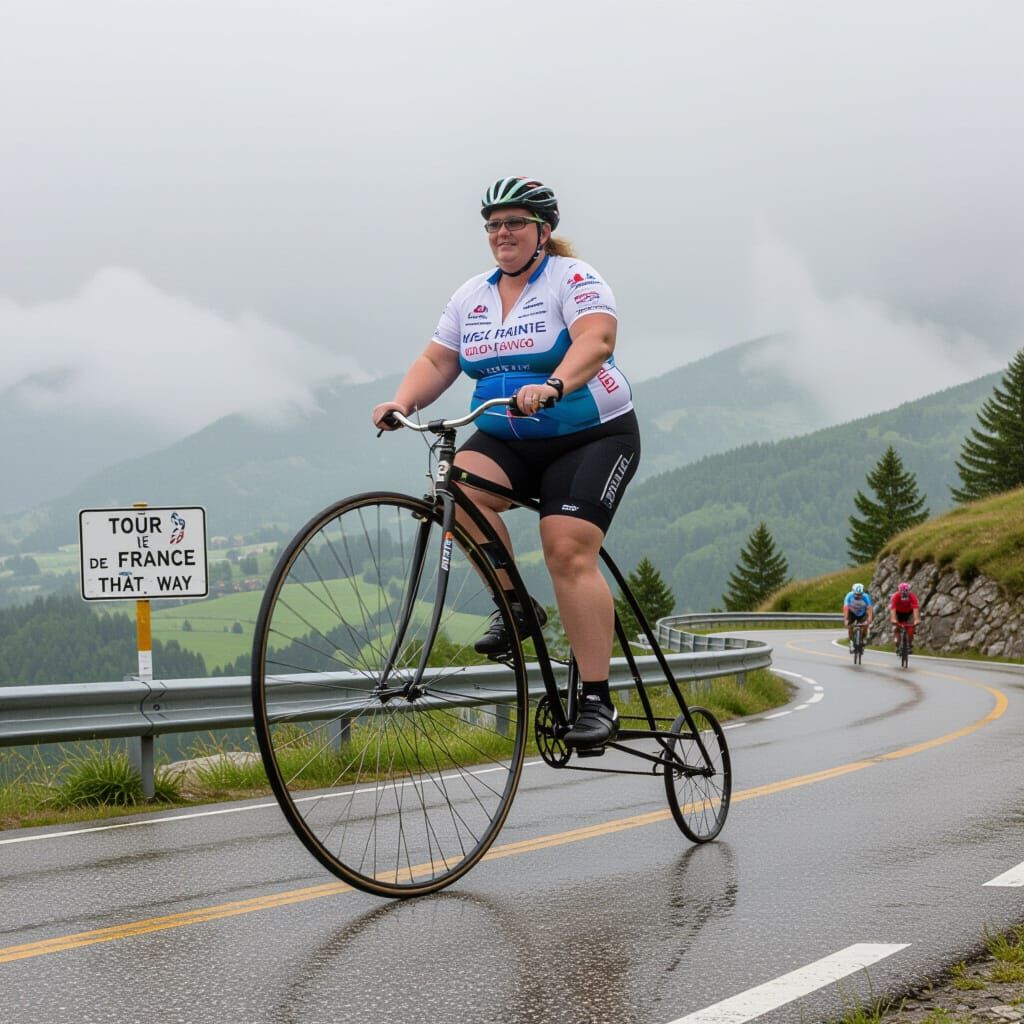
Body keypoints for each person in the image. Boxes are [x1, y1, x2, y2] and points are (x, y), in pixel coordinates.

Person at [372, 176, 640, 750]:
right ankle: (516, 606)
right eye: (493, 225)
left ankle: (597, 699)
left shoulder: (573, 278)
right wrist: (402, 401)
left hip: (589, 434)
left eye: (514, 223)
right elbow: (439, 359)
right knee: (453, 493)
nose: (502, 234)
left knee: (566, 548)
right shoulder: (472, 295)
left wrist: (555, 383)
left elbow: (597, 340)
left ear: (543, 231)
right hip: (508, 434)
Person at [889, 581, 920, 649]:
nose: (904, 595)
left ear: (909, 591)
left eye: (906, 593)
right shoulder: (895, 596)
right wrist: (893, 619)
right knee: (897, 627)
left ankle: (910, 643)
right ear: (899, 592)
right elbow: (893, 609)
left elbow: (915, 608)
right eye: (902, 593)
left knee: (911, 629)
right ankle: (897, 640)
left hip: (909, 613)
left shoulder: (912, 596)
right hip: (898, 613)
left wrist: (916, 619)